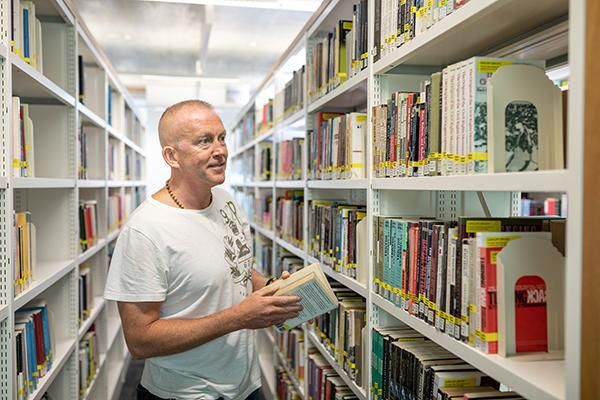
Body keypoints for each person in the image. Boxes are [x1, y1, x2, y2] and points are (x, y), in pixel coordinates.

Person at [104, 99, 302, 400]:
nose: (220, 150)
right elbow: (140, 340)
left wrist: (275, 292)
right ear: (172, 156)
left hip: (246, 385)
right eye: (204, 141)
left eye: (222, 138)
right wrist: (239, 317)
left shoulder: (225, 201)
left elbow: (235, 268)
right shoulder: (145, 230)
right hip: (184, 393)